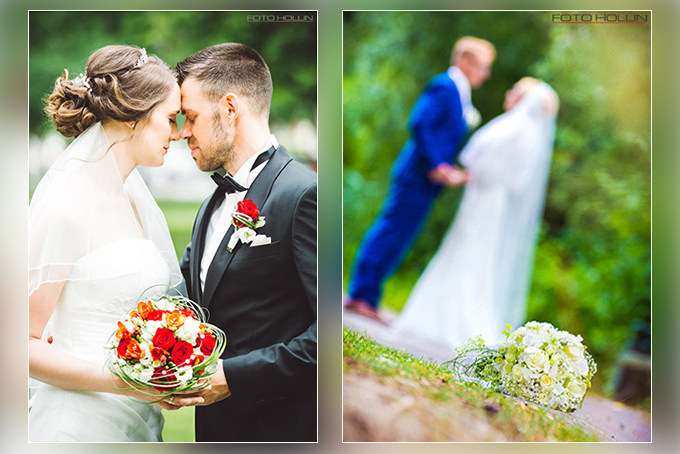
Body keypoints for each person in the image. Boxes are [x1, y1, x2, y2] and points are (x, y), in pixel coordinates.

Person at [29, 45, 185, 441]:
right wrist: (119, 381)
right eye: (170, 118)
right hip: (79, 423)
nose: (178, 133)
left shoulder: (132, 197)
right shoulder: (68, 205)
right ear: (134, 117)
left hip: (138, 418)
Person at [169, 43, 317, 442]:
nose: (182, 132)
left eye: (191, 117)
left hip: (282, 430)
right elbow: (185, 298)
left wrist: (233, 376)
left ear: (230, 109)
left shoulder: (305, 195)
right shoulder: (211, 204)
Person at [394, 78, 559, 348]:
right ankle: (437, 315)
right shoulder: (521, 129)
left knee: (471, 254)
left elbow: (505, 171)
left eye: (514, 91)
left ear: (524, 100)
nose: (508, 94)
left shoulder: (518, 128)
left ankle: (457, 322)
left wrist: (471, 174)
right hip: (483, 197)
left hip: (486, 198)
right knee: (464, 251)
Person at [345, 37, 496, 323]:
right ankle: (361, 295)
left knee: (400, 237)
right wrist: (438, 164)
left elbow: (442, 134)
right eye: (482, 67)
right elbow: (420, 123)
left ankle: (368, 296)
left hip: (428, 182)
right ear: (463, 60)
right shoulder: (445, 86)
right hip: (416, 175)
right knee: (390, 232)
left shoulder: (460, 94)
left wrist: (450, 167)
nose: (485, 75)